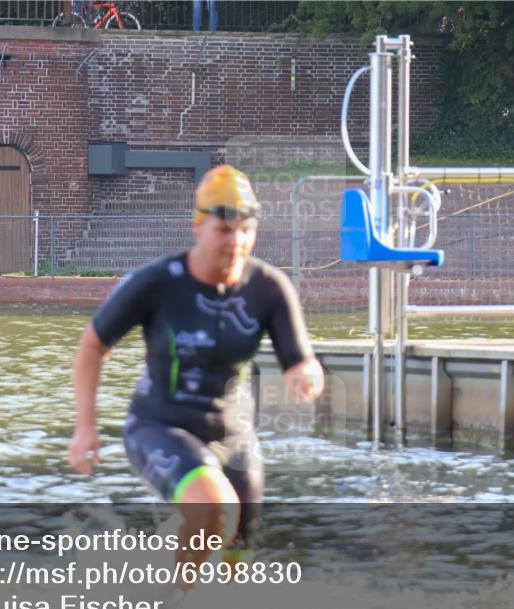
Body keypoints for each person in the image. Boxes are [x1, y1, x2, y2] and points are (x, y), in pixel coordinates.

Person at [69, 165, 323, 579]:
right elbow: (92, 347)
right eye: (224, 230)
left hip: (234, 436)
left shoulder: (269, 288)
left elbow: (302, 360)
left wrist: (307, 376)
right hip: (159, 426)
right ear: (199, 226)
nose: (236, 243)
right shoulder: (157, 283)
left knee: (239, 552)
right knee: (214, 510)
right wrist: (85, 427)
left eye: (246, 231)